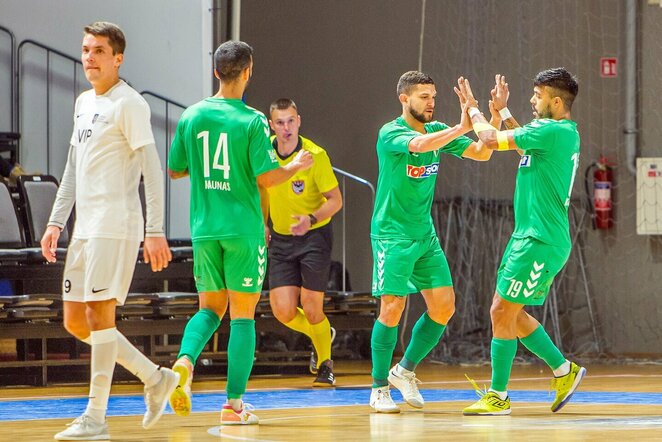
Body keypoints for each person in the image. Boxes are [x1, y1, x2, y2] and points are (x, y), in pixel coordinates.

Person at [40, 22, 179, 441]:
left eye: (99, 50)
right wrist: (55, 220)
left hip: (116, 225)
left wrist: (154, 228)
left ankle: (96, 418)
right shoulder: (83, 101)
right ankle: (155, 378)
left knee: (100, 318)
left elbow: (152, 169)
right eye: (85, 49)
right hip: (84, 228)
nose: (89, 57)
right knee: (76, 322)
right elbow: (71, 168)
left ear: (118, 57)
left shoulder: (130, 104)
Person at [167, 41, 313, 425]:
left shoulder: (192, 115)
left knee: (210, 309)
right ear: (248, 72)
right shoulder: (251, 121)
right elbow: (267, 177)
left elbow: (175, 169)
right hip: (243, 231)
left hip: (204, 230)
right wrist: (295, 164)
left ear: (216, 72)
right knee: (243, 316)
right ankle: (233, 406)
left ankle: (184, 361)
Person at [456, 68, 585, 416]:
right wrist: (504, 112)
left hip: (540, 239)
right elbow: (520, 146)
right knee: (511, 313)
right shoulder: (556, 133)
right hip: (530, 237)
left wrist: (472, 108)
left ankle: (498, 396)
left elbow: (490, 141)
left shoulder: (552, 130)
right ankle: (563, 370)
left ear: (556, 101)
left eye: (537, 95)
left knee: (501, 310)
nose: (531, 100)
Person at [369, 70, 496, 413]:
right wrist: (461, 126)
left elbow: (482, 154)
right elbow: (419, 145)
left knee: (443, 306)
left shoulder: (439, 131)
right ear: (404, 98)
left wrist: (487, 115)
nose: (430, 103)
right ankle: (379, 387)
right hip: (392, 235)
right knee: (392, 308)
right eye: (423, 97)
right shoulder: (391, 133)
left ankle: (404, 370)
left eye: (434, 97)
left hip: (424, 234)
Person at [265, 98, 343, 387]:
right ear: (272, 124)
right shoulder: (264, 151)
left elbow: (336, 200)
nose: (286, 128)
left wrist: (310, 219)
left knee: (311, 307)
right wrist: (263, 223)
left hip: (314, 235)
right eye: (280, 122)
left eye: (291, 121)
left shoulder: (315, 155)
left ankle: (325, 365)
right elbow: (262, 188)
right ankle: (320, 333)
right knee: (283, 311)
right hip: (282, 238)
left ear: (299, 121)